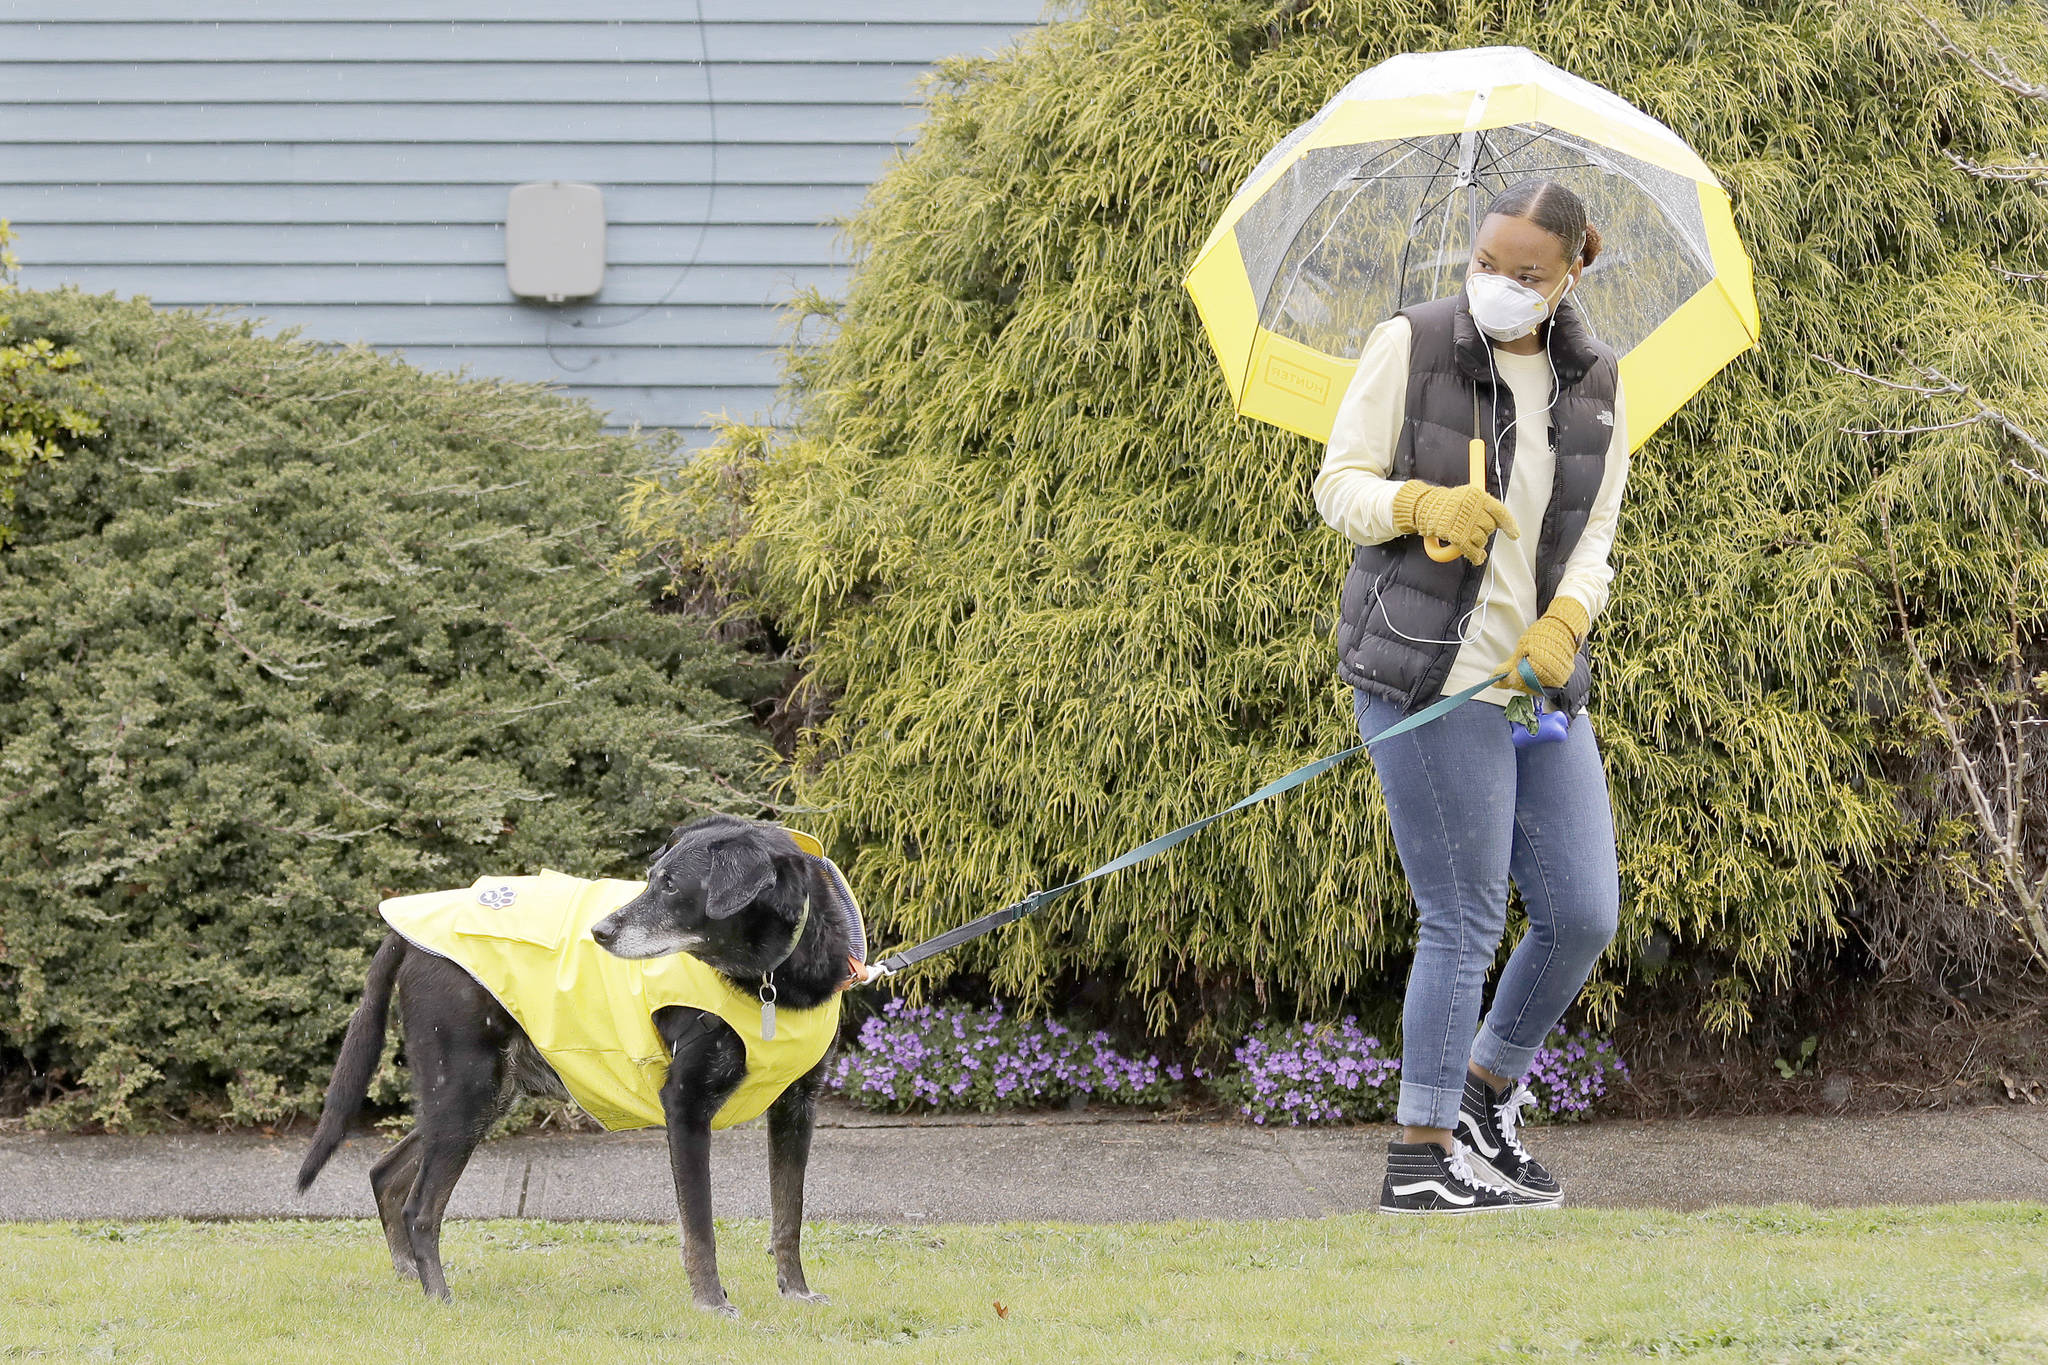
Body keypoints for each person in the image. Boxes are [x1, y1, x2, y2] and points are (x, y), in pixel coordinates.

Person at [1312, 178, 1628, 1215]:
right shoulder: (1411, 343)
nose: (1495, 285)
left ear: (1572, 268)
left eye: (1523, 273)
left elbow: (1592, 541)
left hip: (1532, 688)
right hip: (1427, 682)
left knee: (1581, 910)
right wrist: (1417, 503)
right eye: (1484, 263)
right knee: (1461, 918)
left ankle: (1485, 1094)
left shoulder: (1592, 386)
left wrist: (1566, 621)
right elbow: (1337, 487)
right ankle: (1418, 1152)